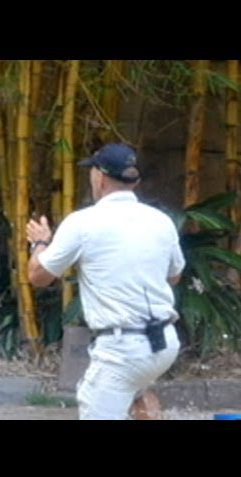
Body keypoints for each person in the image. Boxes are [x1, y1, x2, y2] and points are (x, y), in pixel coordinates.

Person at [26, 143, 185, 420]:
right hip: (163, 343)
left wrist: (40, 243)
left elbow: (38, 276)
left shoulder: (83, 222)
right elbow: (174, 275)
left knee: (113, 391)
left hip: (122, 349)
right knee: (137, 388)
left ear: (99, 177)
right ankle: (143, 402)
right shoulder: (162, 221)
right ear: (134, 180)